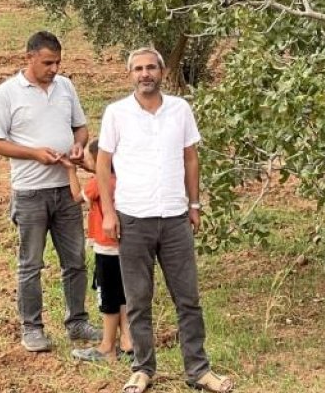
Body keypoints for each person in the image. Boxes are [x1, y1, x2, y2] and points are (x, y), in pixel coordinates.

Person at [96, 47, 233, 393]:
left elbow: (190, 158)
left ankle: (199, 371)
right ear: (130, 75)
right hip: (133, 219)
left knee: (187, 298)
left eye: (151, 68)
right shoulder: (116, 113)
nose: (145, 74)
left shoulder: (180, 109)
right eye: (138, 69)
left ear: (161, 71)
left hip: (174, 218)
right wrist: (109, 213)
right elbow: (102, 164)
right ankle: (143, 369)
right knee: (139, 300)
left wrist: (195, 204)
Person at [0, 30, 101, 351]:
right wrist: (35, 154)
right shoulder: (7, 93)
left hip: (66, 189)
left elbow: (81, 127)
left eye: (58, 63)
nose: (54, 69)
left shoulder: (65, 87)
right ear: (29, 57)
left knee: (75, 260)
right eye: (48, 62)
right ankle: (32, 327)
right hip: (30, 192)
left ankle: (77, 321)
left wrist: (78, 146)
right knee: (31, 263)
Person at [66, 141, 134, 363]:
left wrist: (70, 169)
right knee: (124, 294)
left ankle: (107, 347)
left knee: (108, 297)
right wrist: (90, 165)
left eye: (87, 159)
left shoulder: (98, 183)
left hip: (106, 247)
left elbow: (77, 196)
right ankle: (128, 340)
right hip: (126, 246)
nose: (84, 162)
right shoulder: (123, 178)